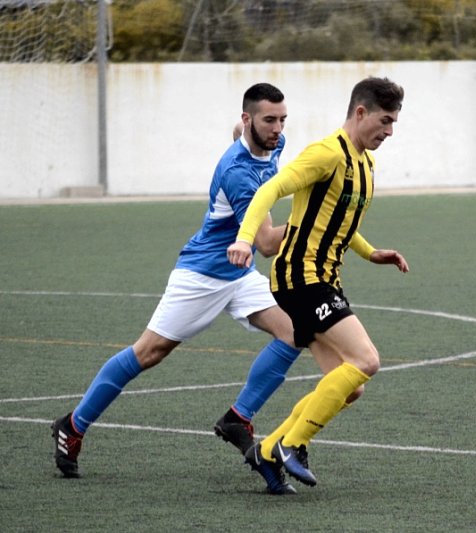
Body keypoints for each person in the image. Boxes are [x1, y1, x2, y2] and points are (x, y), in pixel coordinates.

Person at [52, 83, 302, 495]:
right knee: (148, 352)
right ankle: (73, 426)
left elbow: (241, 141)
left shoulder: (270, 143)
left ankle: (238, 418)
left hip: (239, 275)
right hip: (201, 274)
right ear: (248, 119)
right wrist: (316, 214)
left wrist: (245, 137)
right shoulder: (238, 174)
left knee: (293, 332)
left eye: (282, 120)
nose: (277, 129)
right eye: (269, 120)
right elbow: (270, 244)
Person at [227, 76, 408, 490]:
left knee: (348, 388)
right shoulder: (325, 154)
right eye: (384, 121)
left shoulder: (365, 162)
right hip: (301, 278)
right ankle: (294, 442)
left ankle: (269, 451)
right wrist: (243, 239)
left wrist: (370, 252)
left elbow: (338, 221)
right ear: (360, 112)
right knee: (366, 361)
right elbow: (268, 190)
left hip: (324, 278)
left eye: (394, 123)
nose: (389, 131)